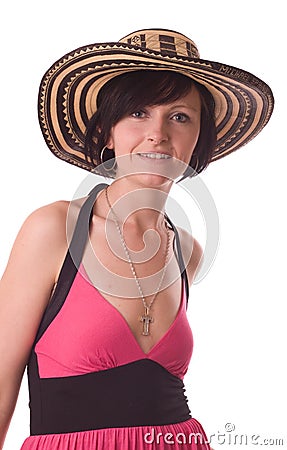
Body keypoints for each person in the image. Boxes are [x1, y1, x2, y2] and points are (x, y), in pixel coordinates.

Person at [0, 28, 273, 450]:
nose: (158, 133)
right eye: (138, 113)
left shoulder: (186, 250)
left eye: (179, 116)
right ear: (108, 132)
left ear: (199, 137)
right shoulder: (55, 230)